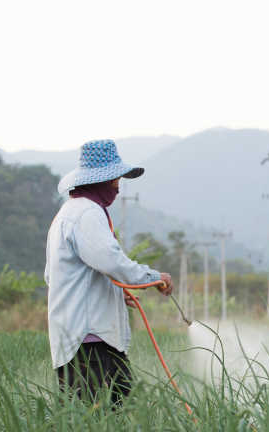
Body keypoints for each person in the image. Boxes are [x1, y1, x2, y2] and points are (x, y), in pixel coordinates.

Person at [44, 139, 173, 406]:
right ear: (99, 181)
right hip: (91, 342)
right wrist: (153, 277)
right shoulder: (87, 214)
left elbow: (57, 276)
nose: (118, 186)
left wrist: (114, 292)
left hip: (79, 339)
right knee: (111, 419)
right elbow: (111, 261)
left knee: (96, 422)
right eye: (114, 180)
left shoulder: (67, 214)